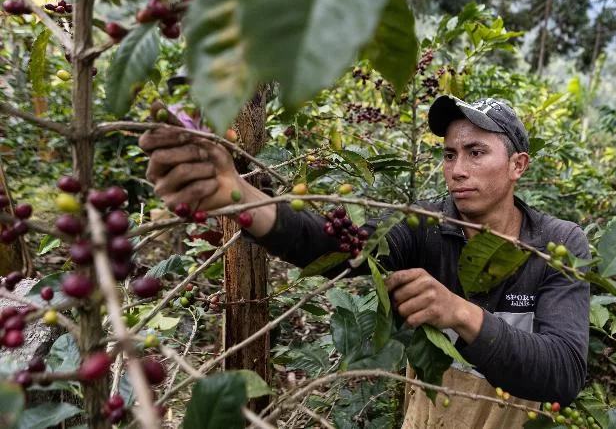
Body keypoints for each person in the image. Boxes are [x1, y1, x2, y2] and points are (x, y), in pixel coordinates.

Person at [139, 95, 591, 428]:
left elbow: (563, 373)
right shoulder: (427, 225)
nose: (457, 169)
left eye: (476, 153)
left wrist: (460, 312)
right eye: (449, 154)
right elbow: (346, 251)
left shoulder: (557, 243)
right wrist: (240, 196)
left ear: (518, 166)